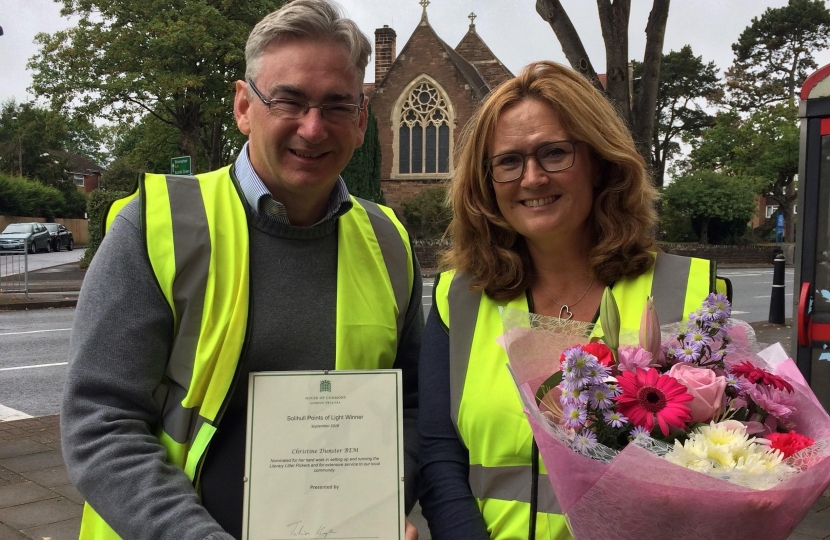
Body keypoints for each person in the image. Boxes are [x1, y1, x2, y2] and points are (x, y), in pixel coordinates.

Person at [61, 1, 422, 538]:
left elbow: (412, 408)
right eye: (289, 100)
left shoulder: (389, 242)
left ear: (363, 121)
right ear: (243, 106)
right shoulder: (155, 226)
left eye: (338, 105)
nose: (314, 127)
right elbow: (101, 422)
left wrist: (375, 513)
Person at [418, 61, 729, 540]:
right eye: (508, 161)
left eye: (554, 153)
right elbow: (441, 456)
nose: (533, 178)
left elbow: (722, 465)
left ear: (600, 162)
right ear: (486, 181)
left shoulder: (690, 293)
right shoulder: (456, 299)